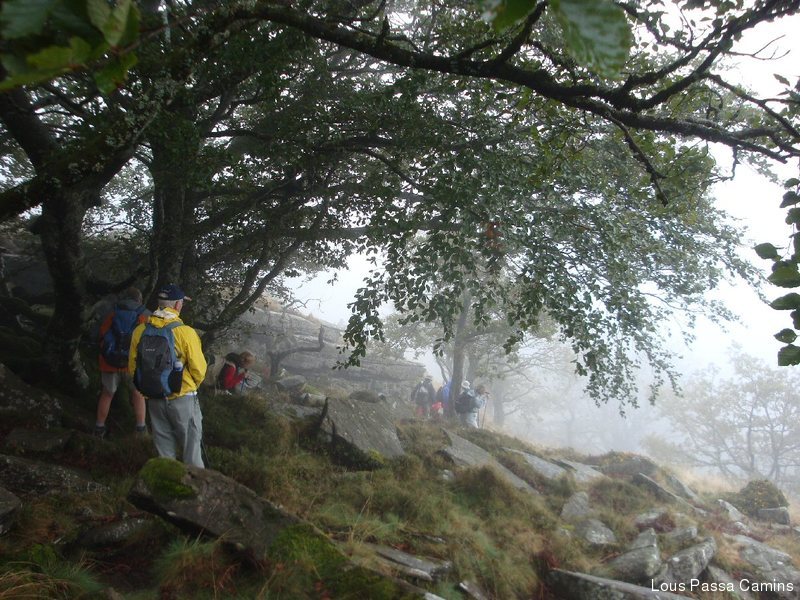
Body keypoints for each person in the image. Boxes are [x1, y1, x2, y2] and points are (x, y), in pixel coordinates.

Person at [129, 284, 207, 467]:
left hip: (154, 396)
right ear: (178, 305)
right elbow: (199, 369)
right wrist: (190, 386)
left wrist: (148, 387)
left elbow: (133, 366)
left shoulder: (140, 330)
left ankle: (166, 481)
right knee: (191, 451)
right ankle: (195, 484)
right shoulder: (185, 332)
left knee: (164, 452)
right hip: (183, 397)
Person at [94, 287, 149, 438]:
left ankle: (99, 428)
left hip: (109, 361)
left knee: (107, 394)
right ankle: (140, 429)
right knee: (138, 394)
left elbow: (99, 334)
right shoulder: (145, 315)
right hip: (133, 364)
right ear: (139, 300)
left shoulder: (110, 311)